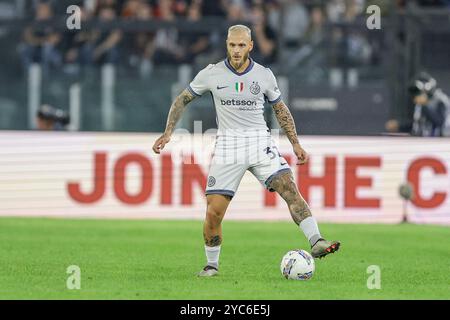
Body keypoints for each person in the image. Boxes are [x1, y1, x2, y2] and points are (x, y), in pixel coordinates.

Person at [152, 25, 340, 277]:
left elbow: (280, 109)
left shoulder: (264, 75)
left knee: (288, 186)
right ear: (227, 45)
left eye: (242, 45)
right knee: (213, 213)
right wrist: (168, 132)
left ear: (251, 45)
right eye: (232, 45)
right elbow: (182, 99)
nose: (237, 50)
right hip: (228, 148)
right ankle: (212, 265)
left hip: (259, 143)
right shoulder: (212, 73)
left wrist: (295, 143)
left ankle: (316, 240)